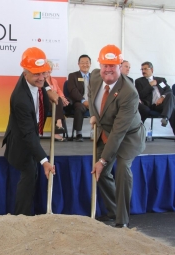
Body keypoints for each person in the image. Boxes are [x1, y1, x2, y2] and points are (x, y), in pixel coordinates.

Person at [89, 45, 146, 228]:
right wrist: (93, 114)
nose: (108, 69)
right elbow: (92, 97)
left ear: (120, 65)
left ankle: (122, 222)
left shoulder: (129, 92)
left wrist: (103, 160)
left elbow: (119, 132)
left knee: (121, 167)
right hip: (107, 131)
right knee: (102, 173)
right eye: (105, 64)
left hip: (129, 135)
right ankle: (115, 210)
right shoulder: (95, 76)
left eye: (112, 65)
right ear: (100, 64)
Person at [2, 47, 56, 216]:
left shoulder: (33, 77)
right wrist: (45, 161)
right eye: (36, 74)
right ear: (25, 74)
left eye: (43, 73)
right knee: (29, 173)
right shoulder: (20, 99)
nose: (41, 77)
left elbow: (41, 77)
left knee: (33, 173)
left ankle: (27, 214)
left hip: (31, 134)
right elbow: (28, 135)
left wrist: (48, 89)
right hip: (21, 141)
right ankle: (21, 217)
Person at [135, 61, 175, 133]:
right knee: (172, 109)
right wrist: (150, 85)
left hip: (163, 104)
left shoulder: (161, 80)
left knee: (170, 95)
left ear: (152, 69)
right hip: (152, 105)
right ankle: (165, 117)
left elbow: (169, 90)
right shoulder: (139, 81)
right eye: (142, 69)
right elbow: (140, 95)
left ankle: (165, 117)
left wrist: (162, 97)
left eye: (145, 69)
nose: (143, 71)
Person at [67, 54, 92, 141]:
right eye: (82, 63)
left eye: (87, 62)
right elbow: (73, 90)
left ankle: (98, 133)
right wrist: (83, 100)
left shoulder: (95, 77)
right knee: (79, 108)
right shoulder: (73, 76)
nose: (85, 65)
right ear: (78, 64)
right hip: (79, 101)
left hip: (92, 102)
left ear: (90, 64)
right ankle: (79, 133)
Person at [46, 60, 69, 141]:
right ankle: (58, 124)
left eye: (50, 68)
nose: (48, 70)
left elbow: (59, 91)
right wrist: (58, 97)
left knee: (61, 100)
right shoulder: (41, 80)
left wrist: (63, 98)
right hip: (45, 103)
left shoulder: (54, 81)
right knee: (58, 100)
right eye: (46, 68)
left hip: (55, 103)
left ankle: (57, 127)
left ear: (51, 69)